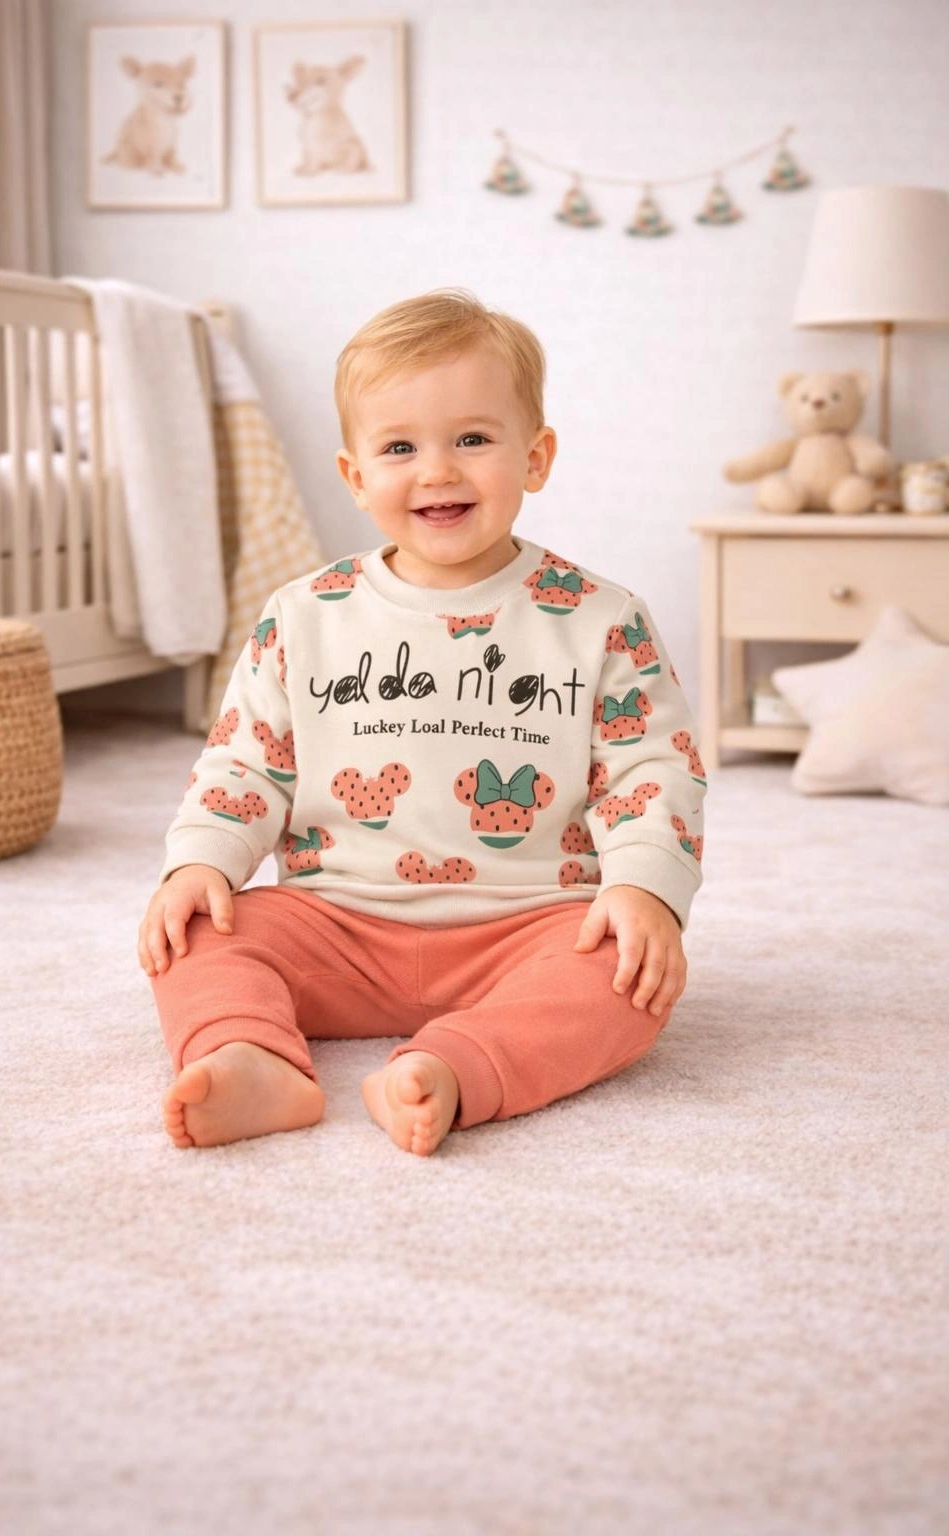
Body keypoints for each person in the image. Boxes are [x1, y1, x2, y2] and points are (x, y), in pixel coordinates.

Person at [138, 289, 707, 1157]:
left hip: (530, 924)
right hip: (335, 922)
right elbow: (244, 764)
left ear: (535, 458)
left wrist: (643, 889)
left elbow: (650, 770)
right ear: (356, 476)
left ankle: (455, 1067)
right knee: (195, 933)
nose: (437, 471)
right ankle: (249, 1055)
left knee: (630, 977)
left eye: (472, 439)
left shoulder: (600, 618)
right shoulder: (304, 614)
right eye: (400, 448)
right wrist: (199, 862)